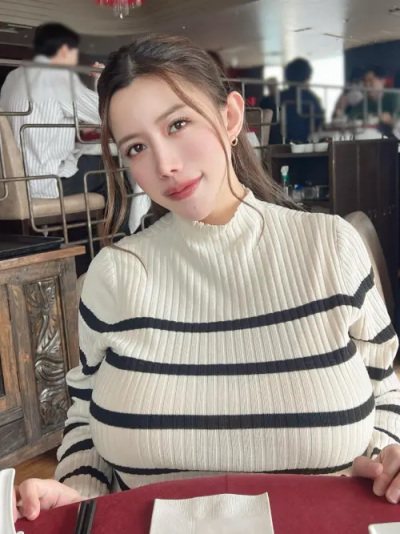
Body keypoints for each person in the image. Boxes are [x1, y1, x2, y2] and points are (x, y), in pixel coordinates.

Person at [13, 35, 400, 522]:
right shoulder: (114, 275)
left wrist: (387, 462)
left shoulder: (331, 248)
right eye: (136, 147)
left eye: (178, 124)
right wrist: (80, 497)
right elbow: (87, 416)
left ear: (231, 117)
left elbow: (386, 388)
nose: (165, 165)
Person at [0, 23, 106, 200]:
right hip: (49, 183)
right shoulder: (57, 78)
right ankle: (128, 219)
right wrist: (100, 80)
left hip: (13, 184)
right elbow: (106, 113)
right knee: (112, 167)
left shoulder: (13, 76)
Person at [275, 58, 325, 143]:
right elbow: (319, 122)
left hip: (275, 144)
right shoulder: (311, 98)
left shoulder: (277, 97)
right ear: (307, 77)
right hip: (302, 146)